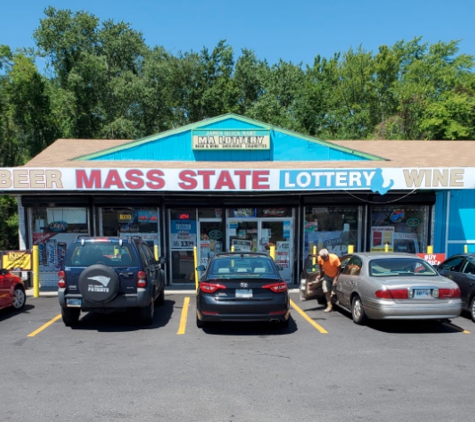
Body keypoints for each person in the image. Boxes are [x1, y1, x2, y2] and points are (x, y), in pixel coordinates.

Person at [317, 248, 341, 313]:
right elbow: (320, 266)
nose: (324, 260)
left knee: (333, 293)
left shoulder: (334, 258)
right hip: (327, 276)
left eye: (325, 258)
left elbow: (339, 268)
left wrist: (336, 278)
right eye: (323, 258)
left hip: (335, 275)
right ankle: (329, 306)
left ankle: (335, 300)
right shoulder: (319, 258)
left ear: (328, 255)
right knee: (326, 290)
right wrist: (320, 274)